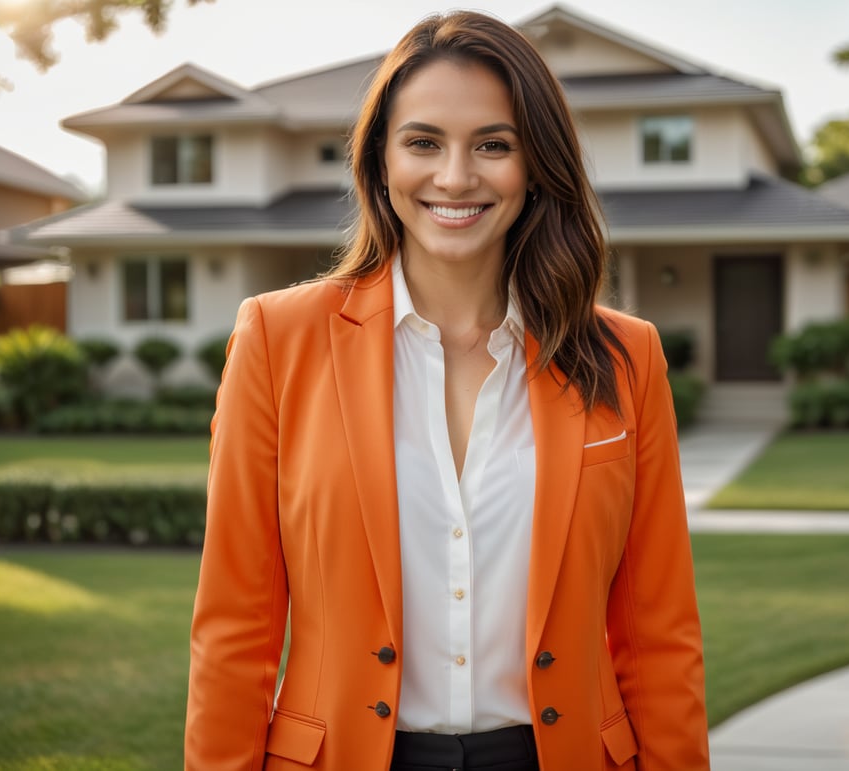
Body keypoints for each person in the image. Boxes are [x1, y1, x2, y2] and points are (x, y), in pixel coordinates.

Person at [185, 9, 708, 771]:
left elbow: (659, 633)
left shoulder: (626, 356)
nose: (455, 177)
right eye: (423, 142)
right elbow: (235, 625)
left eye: (493, 145)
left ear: (536, 167)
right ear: (379, 161)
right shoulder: (276, 340)